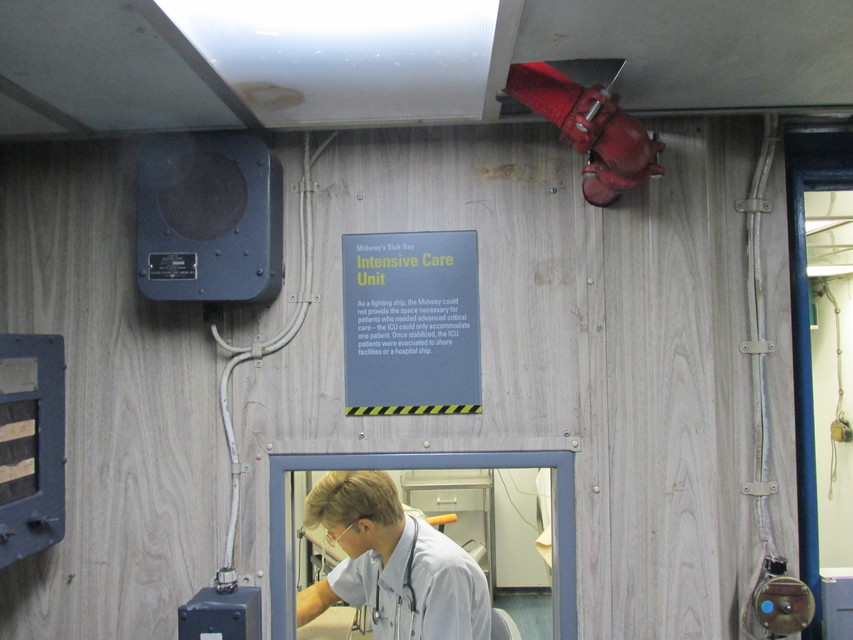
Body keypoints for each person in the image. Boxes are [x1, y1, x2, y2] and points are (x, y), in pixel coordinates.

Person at [296, 470, 491, 640]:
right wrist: (279, 623)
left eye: (333, 534)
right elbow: (321, 595)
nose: (333, 540)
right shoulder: (373, 552)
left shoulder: (443, 573)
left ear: (365, 527)